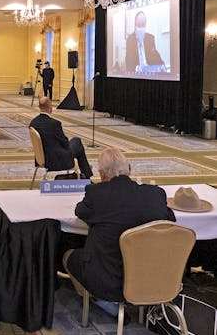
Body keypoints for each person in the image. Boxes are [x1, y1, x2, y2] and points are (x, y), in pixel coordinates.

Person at [64, 148, 175, 309]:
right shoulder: (155, 194)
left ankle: (101, 301)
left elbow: (80, 211)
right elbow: (170, 219)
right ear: (129, 169)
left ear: (101, 175)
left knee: (68, 256)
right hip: (149, 278)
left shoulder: (96, 194)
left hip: (107, 283)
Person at [29, 97, 93, 178]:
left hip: (41, 159)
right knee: (77, 142)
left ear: (39, 107)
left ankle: (84, 173)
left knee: (75, 142)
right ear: (50, 107)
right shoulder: (54, 124)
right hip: (57, 160)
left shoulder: (33, 123)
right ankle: (86, 175)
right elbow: (65, 143)